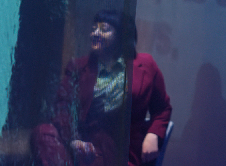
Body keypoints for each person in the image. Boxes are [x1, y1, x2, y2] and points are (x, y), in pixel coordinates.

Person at [33, 9, 172, 166]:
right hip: (82, 146)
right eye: (93, 29)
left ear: (121, 35)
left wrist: (153, 134)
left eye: (104, 29)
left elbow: (162, 109)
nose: (95, 34)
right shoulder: (78, 66)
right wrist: (73, 140)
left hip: (116, 150)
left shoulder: (146, 65)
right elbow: (62, 107)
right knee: (43, 132)